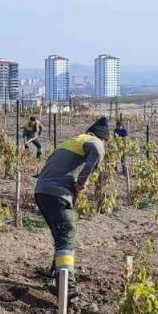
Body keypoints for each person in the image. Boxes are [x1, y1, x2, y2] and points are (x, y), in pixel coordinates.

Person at [33, 116, 109, 300]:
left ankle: (55, 274)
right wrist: (82, 182)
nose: (105, 145)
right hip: (57, 193)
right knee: (67, 235)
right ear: (103, 137)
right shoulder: (94, 141)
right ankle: (67, 287)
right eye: (106, 141)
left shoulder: (72, 141)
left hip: (42, 192)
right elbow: (98, 151)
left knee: (62, 236)